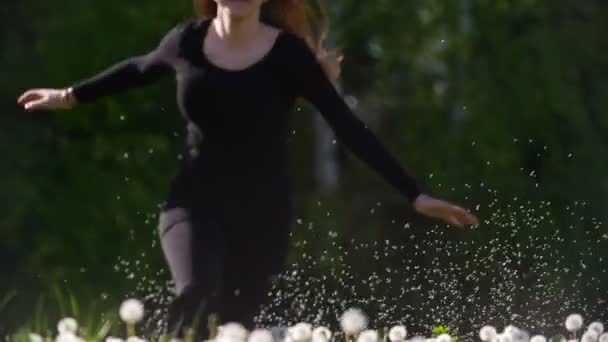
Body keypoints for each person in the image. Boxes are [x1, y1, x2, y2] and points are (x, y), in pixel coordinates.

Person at [17, 0, 479, 339]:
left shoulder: (290, 58)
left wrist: (415, 194)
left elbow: (349, 128)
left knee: (237, 326)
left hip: (262, 214)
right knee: (196, 295)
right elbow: (139, 69)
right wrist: (70, 95)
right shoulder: (187, 41)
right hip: (193, 201)